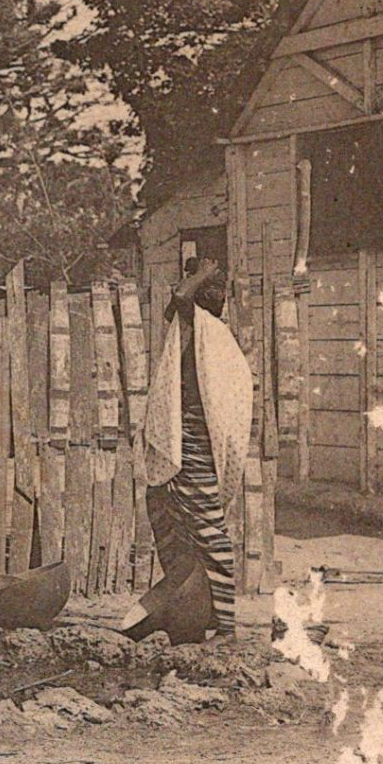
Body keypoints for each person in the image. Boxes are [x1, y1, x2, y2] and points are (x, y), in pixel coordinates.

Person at [123, 258, 252, 644]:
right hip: (184, 440)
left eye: (205, 288)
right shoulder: (192, 331)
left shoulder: (207, 330)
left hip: (195, 443)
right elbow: (172, 304)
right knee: (164, 513)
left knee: (210, 532)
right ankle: (190, 606)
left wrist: (200, 274)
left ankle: (227, 626)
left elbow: (179, 296)